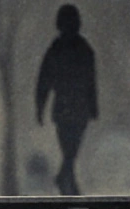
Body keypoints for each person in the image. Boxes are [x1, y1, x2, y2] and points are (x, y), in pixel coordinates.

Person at [35, 4, 98, 196]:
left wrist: (40, 107)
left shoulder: (56, 48)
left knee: (69, 151)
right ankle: (67, 182)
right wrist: (93, 105)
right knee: (71, 151)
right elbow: (90, 81)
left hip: (62, 109)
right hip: (79, 109)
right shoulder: (84, 48)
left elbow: (43, 81)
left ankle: (66, 181)